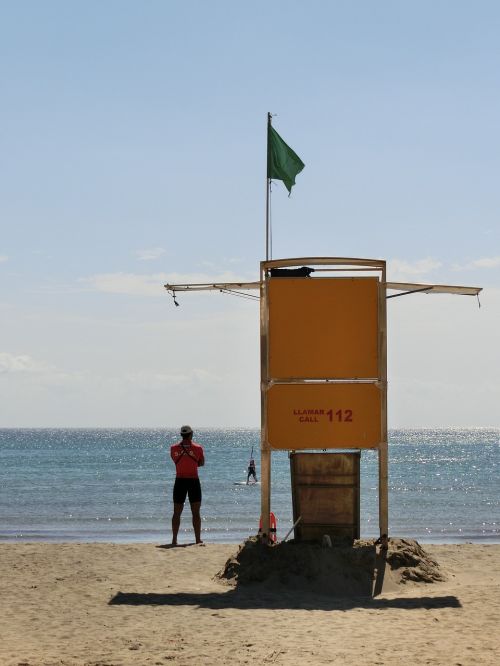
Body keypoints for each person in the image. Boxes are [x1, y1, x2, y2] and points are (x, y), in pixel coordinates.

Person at [170, 425, 205, 545]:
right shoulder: (198, 448)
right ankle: (197, 539)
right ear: (191, 434)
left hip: (179, 480)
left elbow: (175, 461)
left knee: (176, 512)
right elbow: (201, 463)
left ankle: (174, 540)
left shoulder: (173, 448)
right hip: (193, 481)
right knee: (196, 512)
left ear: (181, 435)